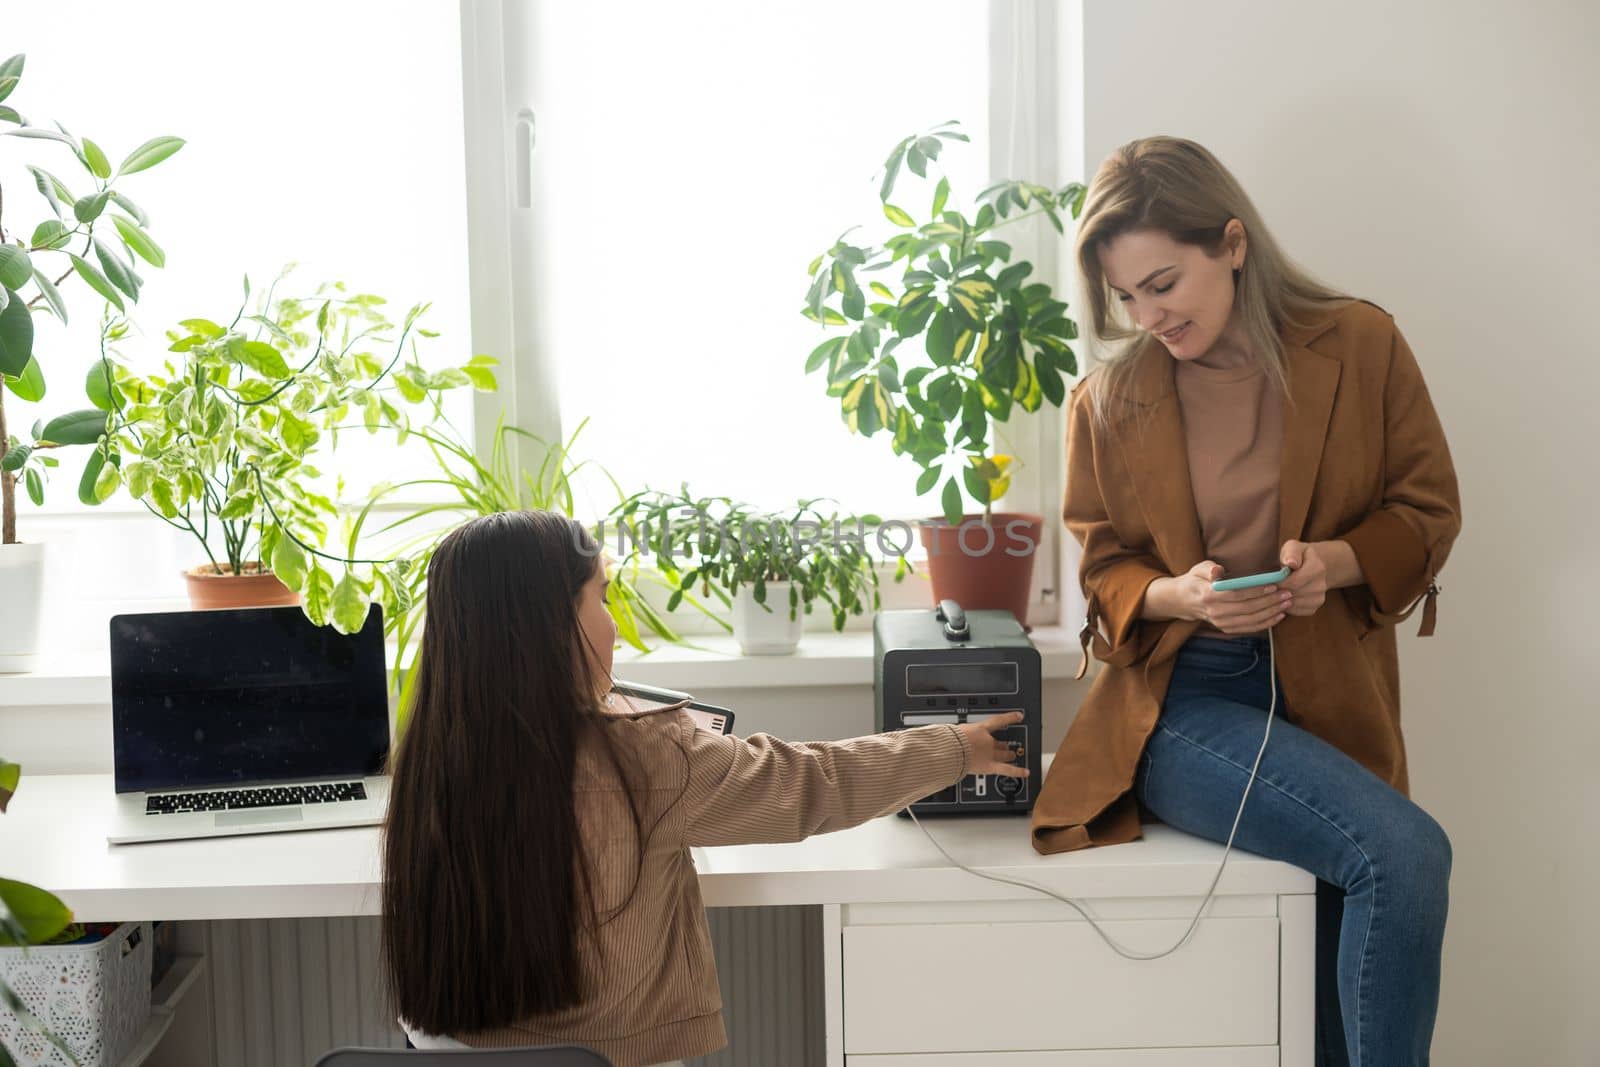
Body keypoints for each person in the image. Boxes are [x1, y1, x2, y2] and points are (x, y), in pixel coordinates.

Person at [1029, 136, 1461, 1066]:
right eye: (1125, 294)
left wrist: (1336, 564)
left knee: (1356, 891)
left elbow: (1428, 510)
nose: (1147, 315)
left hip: (1332, 688)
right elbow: (1104, 565)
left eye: (1164, 282)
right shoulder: (1107, 399)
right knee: (1404, 854)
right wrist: (1175, 595)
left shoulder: (1360, 342)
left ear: (1232, 243)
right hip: (1186, 702)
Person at [380, 509, 1026, 1067]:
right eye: (600, 597)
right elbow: (809, 783)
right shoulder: (645, 755)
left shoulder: (428, 759)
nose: (611, 621)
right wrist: (957, 746)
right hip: (608, 1057)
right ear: (550, 628)